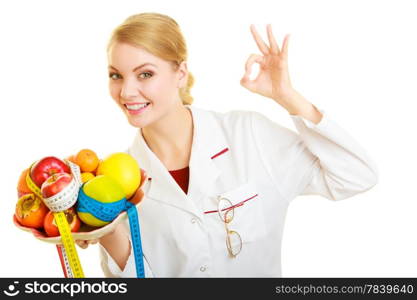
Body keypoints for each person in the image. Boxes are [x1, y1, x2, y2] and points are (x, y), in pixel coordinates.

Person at [76, 12, 378, 277]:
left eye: (145, 74)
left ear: (180, 73)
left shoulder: (249, 135)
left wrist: (286, 95)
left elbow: (355, 176)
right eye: (116, 75)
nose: (127, 91)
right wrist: (107, 231)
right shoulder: (116, 184)